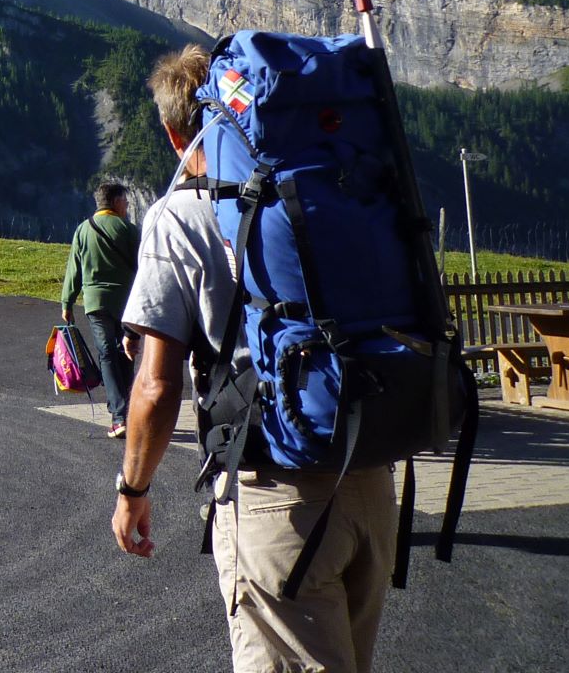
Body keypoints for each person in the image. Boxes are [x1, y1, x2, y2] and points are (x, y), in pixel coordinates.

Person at [113, 45, 397, 673]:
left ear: (172, 132)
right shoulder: (323, 189)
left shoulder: (176, 217)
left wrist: (132, 487)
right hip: (370, 478)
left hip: (275, 492)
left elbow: (156, 387)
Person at [60, 181, 140, 437]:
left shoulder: (83, 230)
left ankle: (118, 415)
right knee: (126, 351)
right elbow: (143, 267)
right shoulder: (129, 230)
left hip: (95, 303)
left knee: (106, 354)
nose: (127, 206)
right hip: (127, 302)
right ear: (115, 202)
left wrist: (67, 303)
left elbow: (74, 270)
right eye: (125, 201)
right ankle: (126, 410)